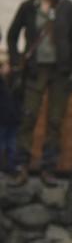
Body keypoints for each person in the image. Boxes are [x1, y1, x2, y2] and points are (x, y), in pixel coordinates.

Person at [7, 0, 72, 188]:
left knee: (55, 120)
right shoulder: (28, 6)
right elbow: (12, 36)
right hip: (35, 70)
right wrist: (17, 62)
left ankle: (48, 168)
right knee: (28, 116)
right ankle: (21, 167)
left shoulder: (66, 6)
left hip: (60, 71)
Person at [0, 33, 21, 175]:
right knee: (3, 143)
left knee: (11, 143)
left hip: (12, 117)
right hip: (4, 117)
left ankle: (11, 167)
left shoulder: (14, 80)